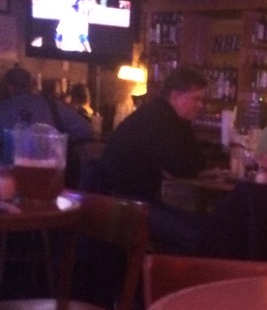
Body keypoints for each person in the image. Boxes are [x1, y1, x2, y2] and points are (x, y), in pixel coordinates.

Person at [99, 66, 209, 253]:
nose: (201, 105)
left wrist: (186, 125)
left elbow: (195, 160)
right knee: (198, 237)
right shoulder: (157, 118)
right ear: (175, 96)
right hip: (123, 205)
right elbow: (181, 166)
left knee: (204, 227)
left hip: (136, 200)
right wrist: (192, 160)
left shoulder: (169, 117)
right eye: (196, 99)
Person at [0, 65, 93, 152]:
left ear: (9, 87)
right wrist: (60, 140)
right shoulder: (52, 106)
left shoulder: (3, 108)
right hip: (49, 162)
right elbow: (85, 129)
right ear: (32, 84)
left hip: (9, 163)